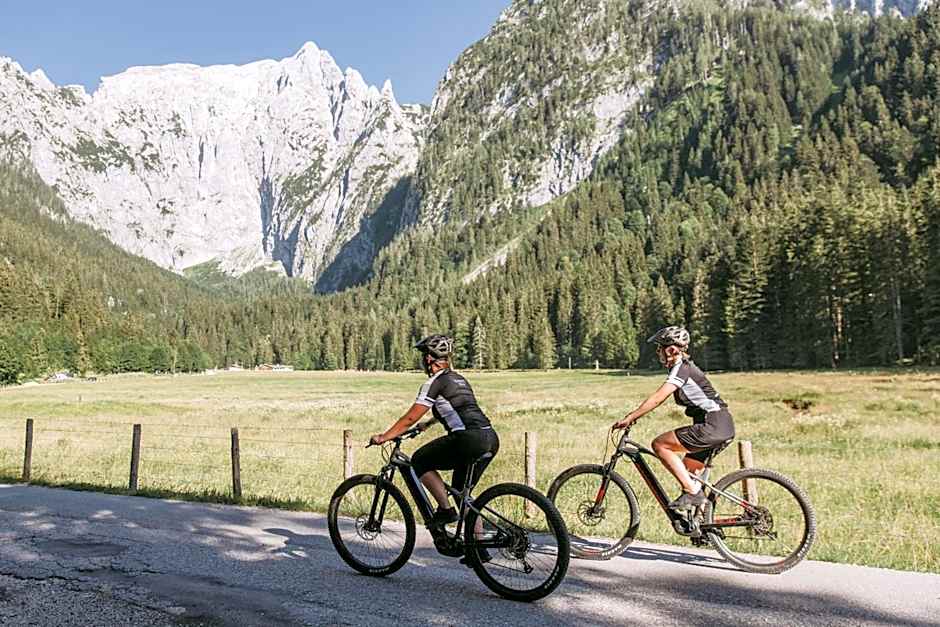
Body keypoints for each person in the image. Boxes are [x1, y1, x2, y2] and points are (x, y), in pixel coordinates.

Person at [369, 334, 500, 527]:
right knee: (462, 494)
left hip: (467, 439)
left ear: (429, 359)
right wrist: (427, 425)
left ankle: (446, 511)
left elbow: (410, 418)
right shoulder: (459, 379)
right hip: (489, 437)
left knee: (420, 460)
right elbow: (456, 408)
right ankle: (478, 549)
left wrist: (384, 437)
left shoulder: (433, 383)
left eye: (423, 356)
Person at [612, 326, 735, 510]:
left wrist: (631, 417)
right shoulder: (685, 368)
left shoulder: (682, 369)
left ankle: (693, 494)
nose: (658, 352)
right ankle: (702, 526)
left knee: (660, 445)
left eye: (660, 347)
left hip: (713, 425)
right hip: (721, 425)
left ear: (671, 350)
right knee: (689, 472)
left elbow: (658, 398)